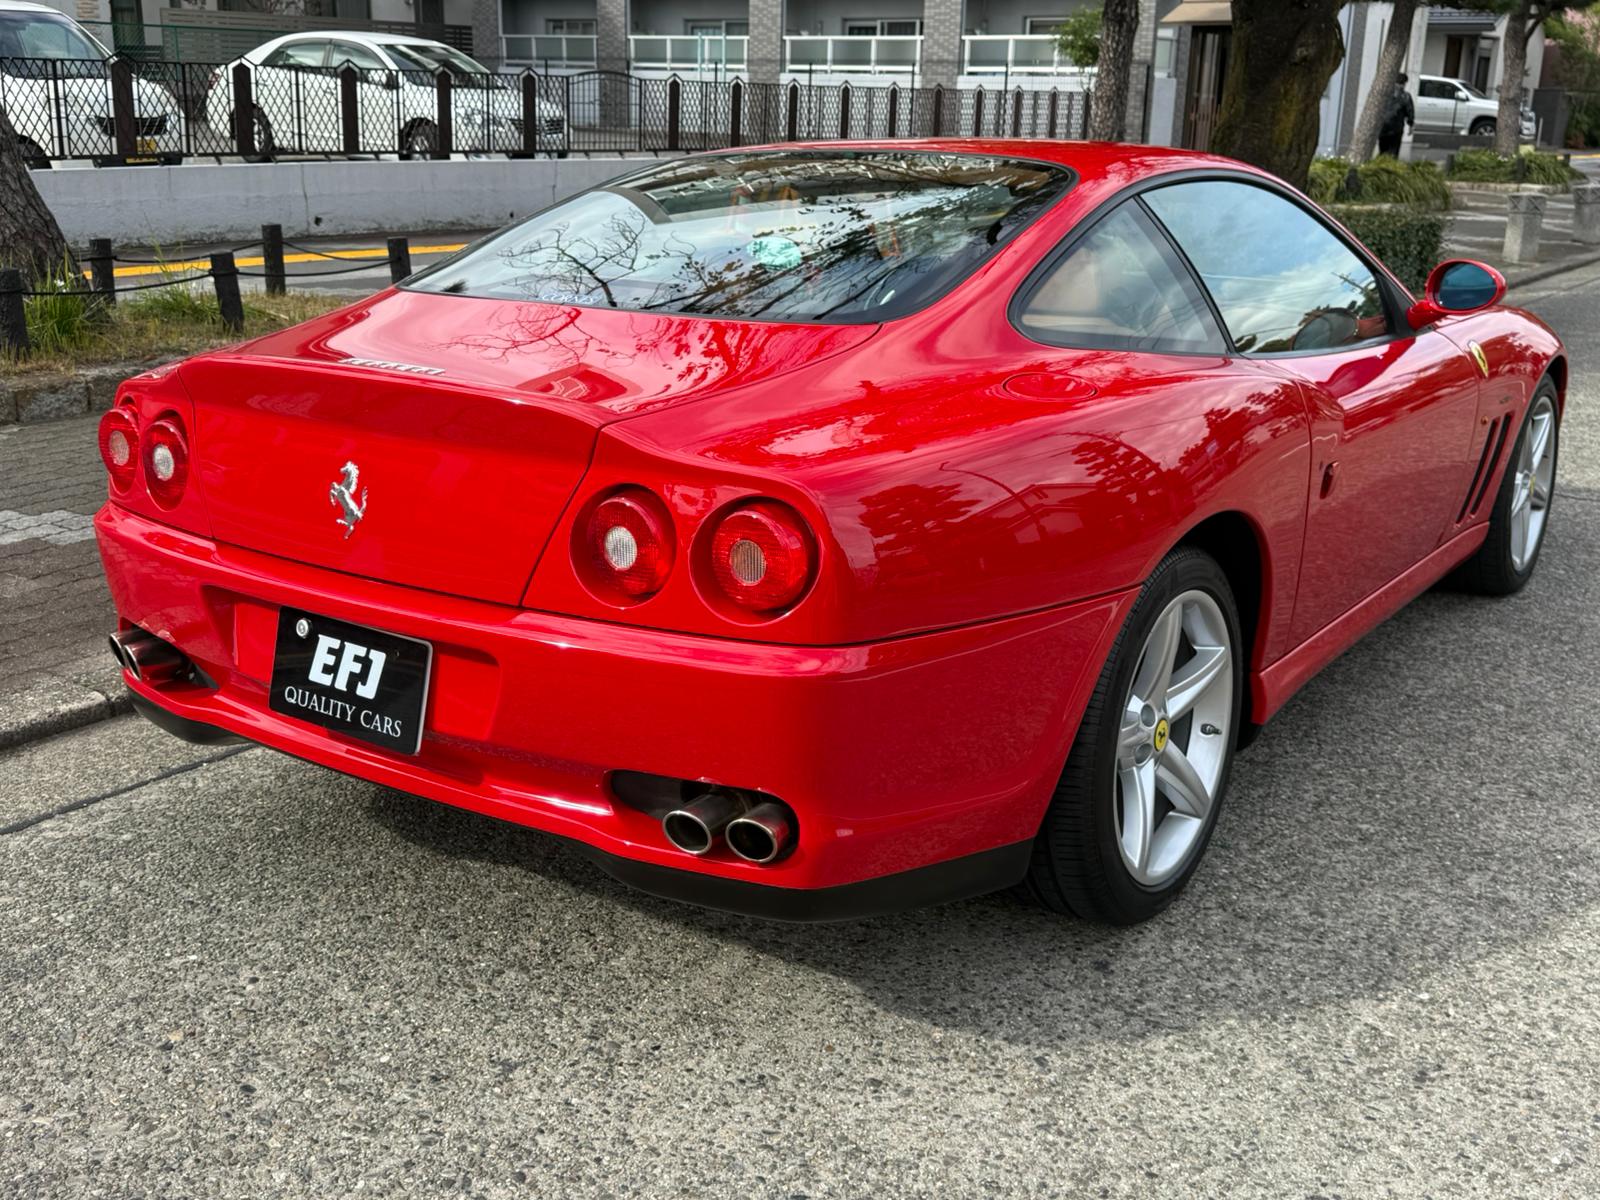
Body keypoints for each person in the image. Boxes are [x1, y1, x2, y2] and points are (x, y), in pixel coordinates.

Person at [1377, 72, 1415, 158]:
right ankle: (1391, 167)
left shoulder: (1384, 94)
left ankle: (1381, 166)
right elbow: (1410, 112)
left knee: (1382, 150)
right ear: (1404, 83)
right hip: (1396, 128)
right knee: (1394, 151)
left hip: (1383, 126)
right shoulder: (1405, 96)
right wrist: (1411, 125)